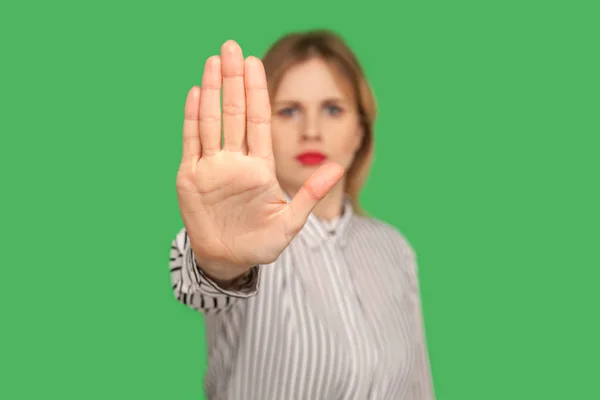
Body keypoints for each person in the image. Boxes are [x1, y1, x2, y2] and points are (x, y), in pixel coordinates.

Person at [169, 29, 435, 400]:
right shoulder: (249, 249)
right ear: (260, 124)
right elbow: (199, 284)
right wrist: (218, 260)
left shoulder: (394, 250)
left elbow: (419, 389)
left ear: (360, 132)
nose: (311, 131)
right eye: (289, 110)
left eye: (332, 109)